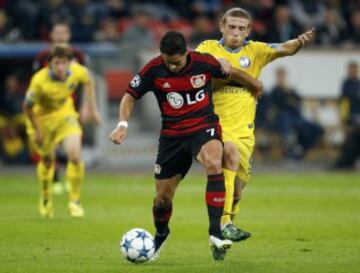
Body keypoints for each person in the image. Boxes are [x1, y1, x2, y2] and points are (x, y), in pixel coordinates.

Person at [109, 31, 262, 261]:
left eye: (176, 62)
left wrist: (254, 84)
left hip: (203, 127)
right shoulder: (153, 69)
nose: (171, 67)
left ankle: (215, 233)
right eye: (167, 62)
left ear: (186, 54)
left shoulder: (202, 62)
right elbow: (130, 95)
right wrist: (122, 124)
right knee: (162, 199)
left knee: (213, 161)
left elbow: (230, 71)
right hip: (172, 137)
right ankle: (161, 233)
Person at [196, 7, 315, 242]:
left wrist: (299, 42)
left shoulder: (256, 51)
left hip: (245, 133)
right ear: (222, 26)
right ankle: (223, 224)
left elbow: (283, 48)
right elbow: (196, 70)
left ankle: (224, 232)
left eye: (241, 28)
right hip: (215, 126)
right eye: (231, 27)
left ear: (248, 30)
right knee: (226, 152)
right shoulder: (207, 48)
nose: (235, 32)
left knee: (237, 194)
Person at [23, 44, 101, 218]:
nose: (60, 67)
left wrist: (92, 108)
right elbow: (27, 107)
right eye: (57, 63)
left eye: (64, 63)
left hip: (65, 114)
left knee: (75, 156)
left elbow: (89, 79)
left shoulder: (76, 71)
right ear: (49, 64)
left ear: (69, 62)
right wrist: (36, 129)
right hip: (41, 119)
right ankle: (45, 196)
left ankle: (74, 200)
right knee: (48, 161)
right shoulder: (39, 80)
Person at [33, 22, 88, 195]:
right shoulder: (42, 56)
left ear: (69, 35)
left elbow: (85, 82)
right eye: (57, 32)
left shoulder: (78, 55)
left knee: (72, 144)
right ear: (51, 36)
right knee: (49, 146)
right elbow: (35, 84)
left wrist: (86, 106)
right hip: (47, 109)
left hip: (71, 106)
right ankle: (54, 178)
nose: (60, 36)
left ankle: (70, 179)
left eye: (63, 33)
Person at [270, 67, 323, 159]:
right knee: (288, 127)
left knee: (316, 128)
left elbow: (299, 102)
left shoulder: (291, 90)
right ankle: (291, 151)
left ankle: (303, 148)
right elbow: (275, 108)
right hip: (283, 120)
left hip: (296, 118)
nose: (281, 78)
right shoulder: (275, 91)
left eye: (283, 75)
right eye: (279, 76)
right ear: (277, 77)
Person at [333, 62, 360, 169]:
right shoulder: (346, 84)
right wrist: (343, 118)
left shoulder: (358, 83)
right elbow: (343, 102)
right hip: (351, 116)